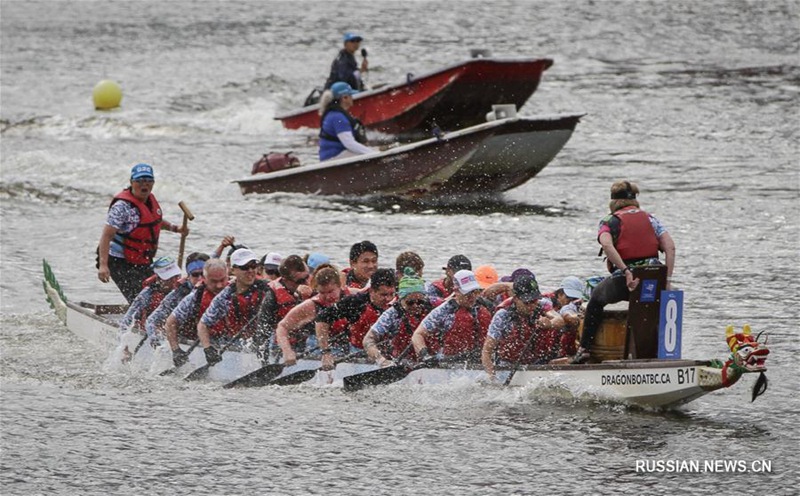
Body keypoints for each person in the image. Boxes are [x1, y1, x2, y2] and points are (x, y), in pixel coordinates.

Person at [572, 180, 676, 364]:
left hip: (628, 280)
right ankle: (661, 350)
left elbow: (606, 244)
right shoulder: (650, 219)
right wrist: (666, 280)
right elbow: (670, 247)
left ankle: (584, 349)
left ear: (614, 202)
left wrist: (626, 271)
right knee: (652, 306)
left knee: (595, 299)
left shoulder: (609, 221)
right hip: (653, 278)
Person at [96, 163, 188, 303]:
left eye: (148, 180)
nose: (144, 184)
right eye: (139, 181)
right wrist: (103, 265)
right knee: (140, 299)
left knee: (158, 293)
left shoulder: (150, 201)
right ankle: (137, 315)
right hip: (118, 261)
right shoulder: (121, 207)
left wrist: (175, 228)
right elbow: (106, 236)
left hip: (141, 259)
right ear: (131, 182)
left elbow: (154, 221)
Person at [481, 275, 565, 380]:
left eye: (534, 301)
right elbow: (486, 352)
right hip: (508, 365)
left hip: (538, 362)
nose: (532, 305)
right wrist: (492, 377)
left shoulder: (543, 305)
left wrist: (549, 324)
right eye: (527, 302)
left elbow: (559, 320)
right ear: (516, 298)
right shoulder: (502, 316)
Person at [197, 248, 271, 366]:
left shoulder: (269, 288)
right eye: (245, 267)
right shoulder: (225, 296)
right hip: (238, 343)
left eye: (253, 266)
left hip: (268, 342)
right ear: (233, 270)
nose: (250, 271)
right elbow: (203, 325)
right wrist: (207, 349)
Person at [315, 268, 397, 370]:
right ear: (371, 291)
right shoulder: (356, 302)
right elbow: (321, 319)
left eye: (391, 294)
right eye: (383, 295)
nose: (388, 299)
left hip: (390, 352)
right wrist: (325, 352)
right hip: (359, 354)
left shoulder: (399, 303)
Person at [274, 264, 355, 366]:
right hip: (316, 347)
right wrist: (287, 351)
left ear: (340, 287)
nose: (327, 297)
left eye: (331, 291)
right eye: (322, 292)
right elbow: (282, 327)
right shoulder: (311, 306)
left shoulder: (353, 296)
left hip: (345, 345)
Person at [363, 268, 441, 367]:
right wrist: (382, 361)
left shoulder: (436, 306)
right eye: (410, 302)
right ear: (400, 299)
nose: (416, 306)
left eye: (420, 302)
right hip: (403, 362)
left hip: (433, 358)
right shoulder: (392, 314)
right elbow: (368, 340)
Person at [411, 269, 493, 362]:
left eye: (475, 292)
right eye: (467, 293)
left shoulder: (486, 307)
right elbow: (417, 335)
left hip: (480, 360)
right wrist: (425, 356)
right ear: (456, 291)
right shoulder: (444, 311)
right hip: (449, 361)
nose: (472, 297)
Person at [165, 258, 229, 368]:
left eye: (222, 280)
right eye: (214, 281)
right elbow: (170, 323)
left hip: (230, 339)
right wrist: (176, 350)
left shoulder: (236, 289)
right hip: (205, 340)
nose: (219, 285)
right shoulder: (194, 297)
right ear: (204, 279)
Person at [117, 257, 182, 361]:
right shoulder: (147, 294)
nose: (174, 281)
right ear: (159, 279)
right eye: (169, 278)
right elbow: (126, 322)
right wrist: (125, 348)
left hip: (175, 331)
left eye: (176, 276)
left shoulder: (184, 289)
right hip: (150, 331)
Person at [144, 252, 208, 343]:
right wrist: (156, 342)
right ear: (188, 276)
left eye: (204, 274)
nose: (200, 278)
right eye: (195, 274)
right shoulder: (177, 294)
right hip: (186, 338)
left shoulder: (222, 288)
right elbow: (151, 321)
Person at [256, 255, 312, 359]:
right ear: (286, 279)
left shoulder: (316, 289)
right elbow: (263, 331)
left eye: (307, 277)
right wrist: (263, 360)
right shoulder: (272, 296)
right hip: (280, 342)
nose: (307, 283)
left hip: (307, 340)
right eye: (300, 281)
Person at [318, 82, 375, 161]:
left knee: (372, 149)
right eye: (350, 95)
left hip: (336, 154)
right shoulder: (338, 117)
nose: (352, 98)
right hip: (333, 157)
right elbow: (349, 143)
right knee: (371, 152)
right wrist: (373, 154)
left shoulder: (334, 113)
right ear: (344, 98)